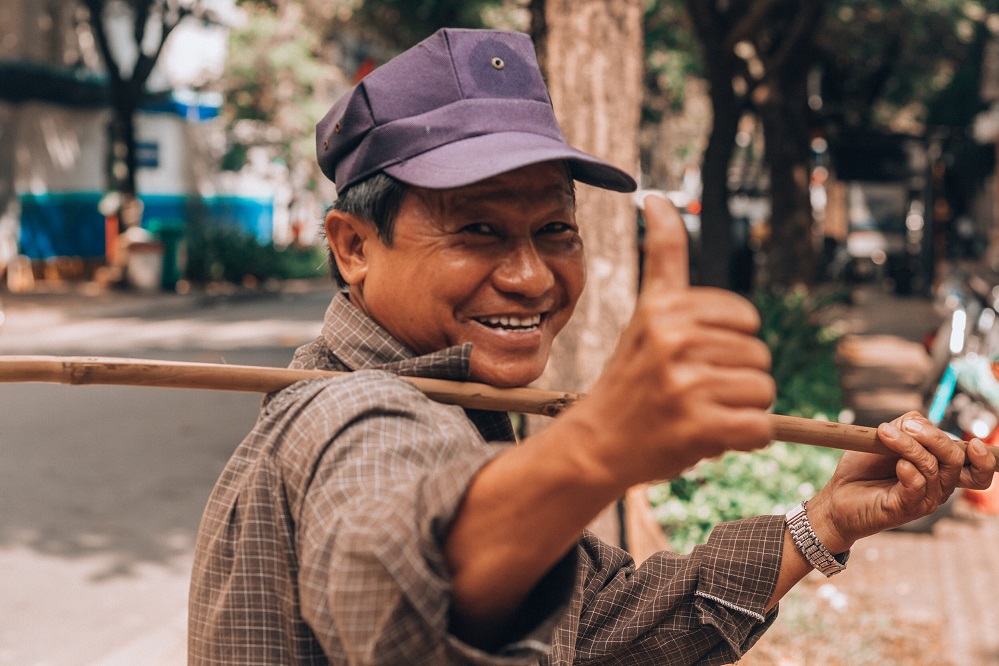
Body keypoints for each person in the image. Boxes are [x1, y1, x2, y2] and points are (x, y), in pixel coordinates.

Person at [188, 28, 996, 665]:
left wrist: (824, 520)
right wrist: (599, 445)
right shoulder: (349, 421)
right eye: (477, 230)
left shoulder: (456, 404)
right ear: (353, 246)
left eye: (554, 231)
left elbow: (597, 630)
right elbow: (397, 604)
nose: (531, 276)